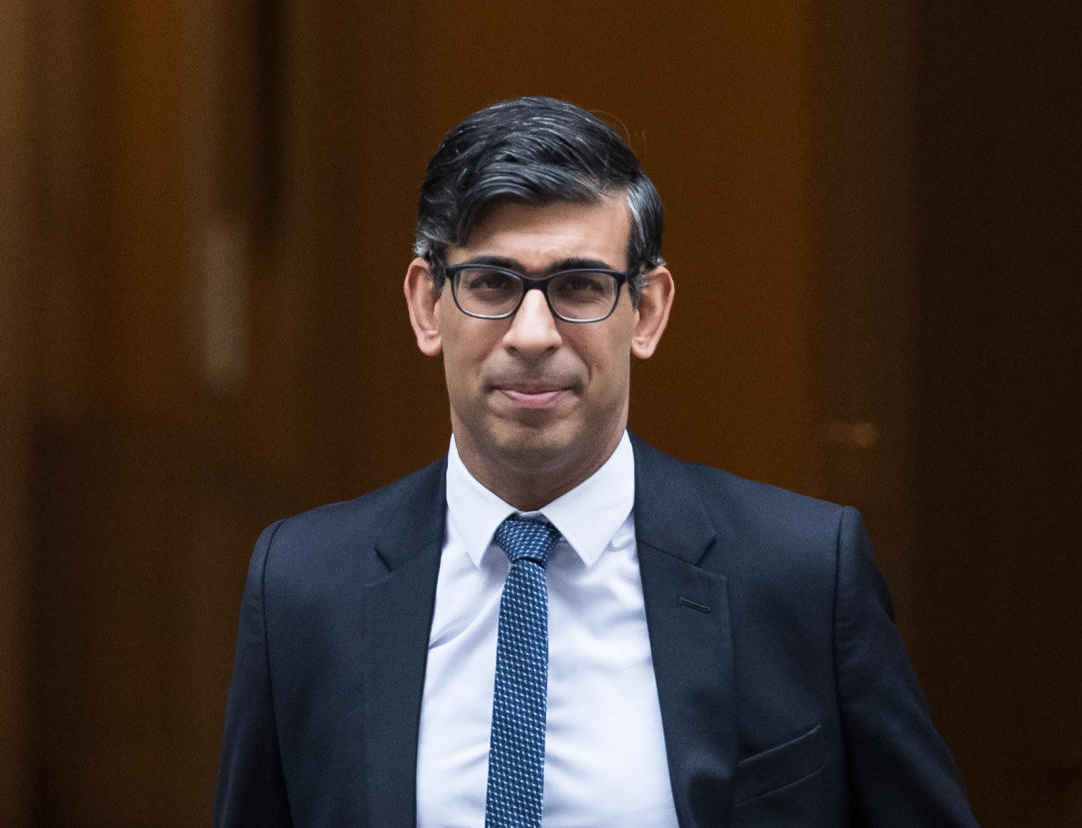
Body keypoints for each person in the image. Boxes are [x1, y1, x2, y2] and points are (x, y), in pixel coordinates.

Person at [214, 96, 977, 827]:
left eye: (580, 286)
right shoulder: (305, 589)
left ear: (646, 310)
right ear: (426, 306)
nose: (534, 333)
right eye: (492, 284)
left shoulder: (802, 574)